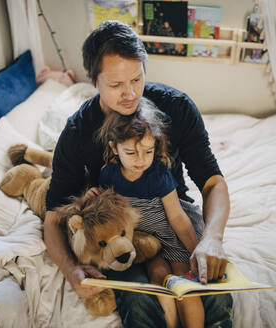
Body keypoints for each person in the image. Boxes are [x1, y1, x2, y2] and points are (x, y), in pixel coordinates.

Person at [44, 20, 232, 327]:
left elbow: (213, 181)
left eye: (136, 79)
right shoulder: (78, 132)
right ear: (93, 79)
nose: (130, 94)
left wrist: (212, 238)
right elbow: (53, 218)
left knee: (213, 295)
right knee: (141, 303)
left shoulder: (177, 108)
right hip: (122, 233)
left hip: (173, 218)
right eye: (116, 85)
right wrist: (71, 271)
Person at [89, 98, 205, 328]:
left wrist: (195, 252)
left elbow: (178, 218)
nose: (141, 160)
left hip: (168, 237)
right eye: (131, 153)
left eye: (148, 151)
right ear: (114, 147)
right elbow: (110, 211)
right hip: (144, 243)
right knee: (160, 279)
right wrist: (95, 196)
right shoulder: (109, 175)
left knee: (183, 284)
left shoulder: (158, 175)